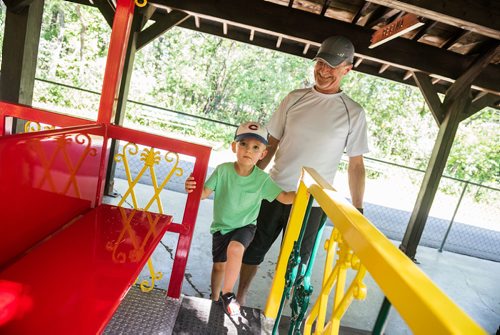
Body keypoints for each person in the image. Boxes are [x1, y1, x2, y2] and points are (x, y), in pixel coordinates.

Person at [237, 35, 369, 305]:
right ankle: (238, 299)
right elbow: (271, 142)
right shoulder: (294, 99)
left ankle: (276, 314)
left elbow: (356, 165)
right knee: (252, 249)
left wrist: (358, 210)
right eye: (320, 63)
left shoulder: (353, 113)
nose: (323, 71)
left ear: (347, 69)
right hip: (274, 191)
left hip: (313, 204)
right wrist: (249, 178)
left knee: (296, 263)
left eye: (332, 66)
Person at [185, 121, 295, 316]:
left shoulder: (262, 179)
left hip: (246, 226)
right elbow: (202, 193)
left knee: (236, 248)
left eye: (255, 147)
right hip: (221, 227)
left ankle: (228, 293)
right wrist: (192, 187)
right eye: (243, 144)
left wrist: (305, 193)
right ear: (234, 146)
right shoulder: (223, 170)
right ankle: (215, 298)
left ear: (263, 154)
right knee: (219, 266)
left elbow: (285, 198)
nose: (248, 150)